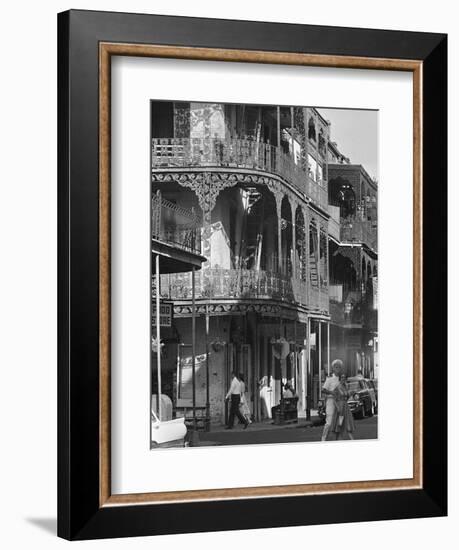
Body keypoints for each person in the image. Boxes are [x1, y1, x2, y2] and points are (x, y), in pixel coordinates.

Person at [321, 359, 343, 441]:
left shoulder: (342, 379)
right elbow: (323, 390)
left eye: (339, 367)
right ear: (333, 368)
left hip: (340, 403)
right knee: (329, 423)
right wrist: (332, 393)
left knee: (340, 423)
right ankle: (323, 439)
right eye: (336, 367)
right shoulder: (329, 379)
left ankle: (338, 439)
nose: (338, 368)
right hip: (331, 402)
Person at [330, 374, 355, 440]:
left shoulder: (346, 387)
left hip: (345, 408)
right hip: (340, 408)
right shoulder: (337, 387)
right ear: (340, 378)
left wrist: (350, 394)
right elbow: (334, 399)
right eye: (342, 377)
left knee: (347, 423)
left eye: (344, 378)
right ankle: (337, 439)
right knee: (340, 424)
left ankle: (350, 439)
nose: (343, 379)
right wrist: (337, 407)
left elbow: (346, 398)